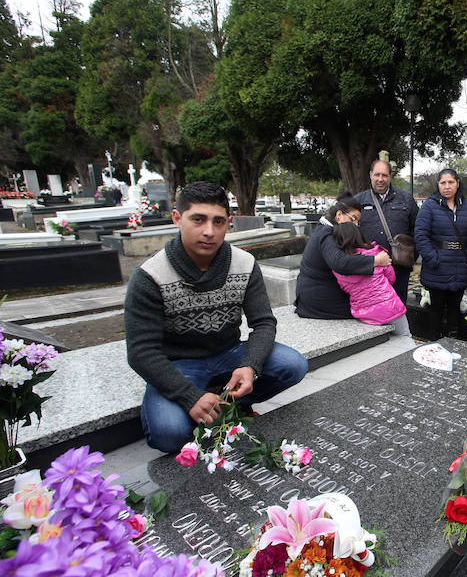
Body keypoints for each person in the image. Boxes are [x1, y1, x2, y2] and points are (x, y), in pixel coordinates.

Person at [124, 181, 308, 453]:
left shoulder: (244, 264)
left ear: (228, 223)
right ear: (177, 218)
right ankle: (212, 402)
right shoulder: (150, 276)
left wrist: (250, 366)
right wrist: (188, 396)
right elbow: (141, 351)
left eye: (218, 221)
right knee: (169, 435)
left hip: (228, 353)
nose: (209, 231)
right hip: (179, 363)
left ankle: (233, 403)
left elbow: (264, 322)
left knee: (293, 365)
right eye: (197, 220)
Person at [295, 193, 391, 319]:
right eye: (353, 219)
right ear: (339, 215)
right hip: (317, 298)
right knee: (370, 308)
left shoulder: (331, 230)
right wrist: (375, 260)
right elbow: (339, 262)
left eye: (358, 221)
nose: (356, 224)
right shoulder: (326, 233)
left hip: (321, 293)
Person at [414, 168, 467, 341]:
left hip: (459, 265)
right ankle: (434, 341)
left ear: (457, 183)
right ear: (438, 185)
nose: (447, 186)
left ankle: (453, 341)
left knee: (454, 307)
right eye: (443, 183)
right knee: (436, 308)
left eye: (451, 182)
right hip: (438, 266)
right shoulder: (430, 205)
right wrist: (434, 258)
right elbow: (420, 235)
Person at [330, 222, 410, 336]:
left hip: (364, 313)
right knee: (405, 337)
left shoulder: (338, 266)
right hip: (389, 308)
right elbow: (391, 278)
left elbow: (345, 288)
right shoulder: (375, 254)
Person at [355, 160, 419, 302]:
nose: (380, 179)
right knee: (371, 310)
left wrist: (410, 258)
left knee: (398, 307)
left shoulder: (406, 200)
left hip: (399, 270)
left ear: (390, 176)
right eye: (377, 174)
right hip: (370, 270)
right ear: (370, 175)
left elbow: (418, 230)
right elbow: (350, 233)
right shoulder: (357, 201)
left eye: (384, 175)